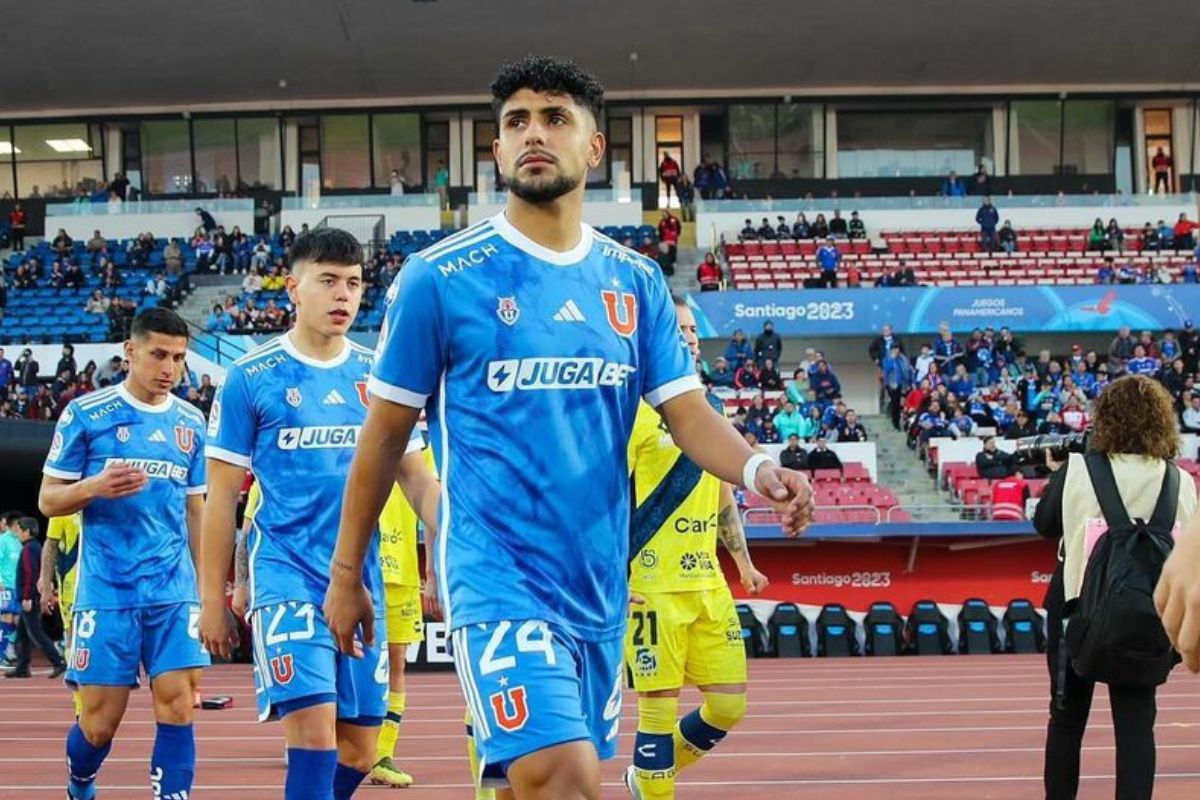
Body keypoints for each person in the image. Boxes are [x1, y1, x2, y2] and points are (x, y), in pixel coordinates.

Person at [321, 56, 813, 800]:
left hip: (598, 587)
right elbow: (385, 438)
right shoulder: (438, 277)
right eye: (516, 122)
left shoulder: (635, 280)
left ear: (594, 147)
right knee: (567, 780)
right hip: (496, 576)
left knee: (532, 786)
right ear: (496, 152)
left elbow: (687, 415)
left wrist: (755, 469)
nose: (533, 134)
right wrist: (345, 573)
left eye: (555, 118)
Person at [198, 229, 440, 800]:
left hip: (361, 577)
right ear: (293, 288)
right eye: (327, 280)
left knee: (359, 750)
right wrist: (212, 598)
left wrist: (458, 537)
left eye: (353, 283)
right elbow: (220, 497)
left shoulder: (382, 377)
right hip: (286, 573)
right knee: (312, 731)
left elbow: (418, 479)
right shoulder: (250, 378)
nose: (343, 295)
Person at [39, 308, 209, 800]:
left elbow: (196, 509)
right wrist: (93, 486)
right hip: (107, 591)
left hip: (173, 590)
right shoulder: (86, 414)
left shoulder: (191, 421)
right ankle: (80, 782)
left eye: (178, 358)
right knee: (98, 727)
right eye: (159, 355)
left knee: (178, 706)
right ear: (130, 352)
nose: (170, 369)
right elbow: (49, 499)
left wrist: (205, 585)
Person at [623, 296, 768, 799]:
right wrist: (611, 573)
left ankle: (645, 779)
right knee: (657, 710)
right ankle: (654, 787)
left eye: (692, 330)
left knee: (729, 706)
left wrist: (743, 562)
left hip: (708, 581)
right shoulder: (632, 409)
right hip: (651, 585)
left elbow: (724, 486)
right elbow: (608, 497)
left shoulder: (713, 408)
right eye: (678, 328)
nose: (687, 337)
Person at [1034, 376, 1197, 800]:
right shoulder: (1181, 481)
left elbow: (1044, 525)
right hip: (1149, 616)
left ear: (1103, 420)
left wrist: (1058, 474)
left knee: (1067, 719)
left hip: (1077, 616)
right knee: (1137, 725)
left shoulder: (1077, 470)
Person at [369, 449, 440, 788]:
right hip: (364, 567)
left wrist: (433, 573)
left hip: (403, 573)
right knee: (352, 660)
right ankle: (330, 742)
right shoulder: (358, 429)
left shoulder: (420, 450)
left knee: (396, 664)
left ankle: (383, 754)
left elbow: (432, 510)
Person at [4, 516, 68, 679]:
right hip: (32, 596)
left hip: (29, 598)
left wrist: (27, 597)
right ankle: (22, 667)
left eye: (19, 530)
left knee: (36, 633)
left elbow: (30, 573)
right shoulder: (36, 547)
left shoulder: (28, 549)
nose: (17, 534)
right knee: (22, 635)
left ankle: (58, 662)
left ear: (27, 532)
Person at [38, 512, 83, 713]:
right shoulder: (65, 507)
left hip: (105, 587)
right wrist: (46, 584)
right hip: (71, 588)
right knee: (74, 638)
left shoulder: (105, 502)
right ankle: (80, 700)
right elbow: (51, 544)